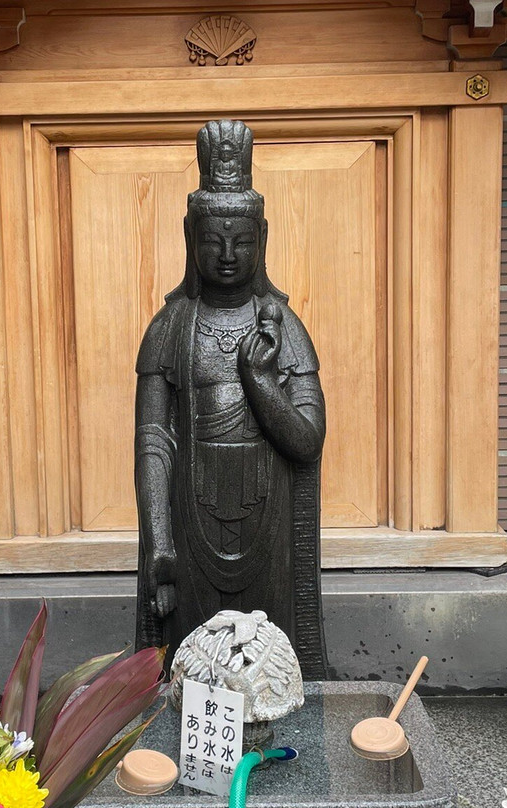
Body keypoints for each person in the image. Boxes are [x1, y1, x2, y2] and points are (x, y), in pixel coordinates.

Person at [134, 120, 328, 678]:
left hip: (268, 524)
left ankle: (278, 743)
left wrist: (261, 383)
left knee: (268, 660)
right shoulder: (170, 328)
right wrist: (159, 540)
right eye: (211, 240)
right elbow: (153, 442)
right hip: (190, 523)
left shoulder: (283, 327)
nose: (225, 254)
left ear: (261, 241)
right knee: (194, 662)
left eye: (241, 241)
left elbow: (308, 441)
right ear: (189, 238)